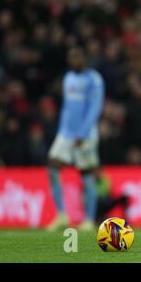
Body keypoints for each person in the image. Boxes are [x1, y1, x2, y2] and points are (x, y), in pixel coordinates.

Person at [46, 47, 105, 231]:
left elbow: (95, 108)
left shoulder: (94, 79)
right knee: (53, 167)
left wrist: (83, 132)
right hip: (66, 133)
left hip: (85, 135)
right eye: (71, 57)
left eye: (78, 56)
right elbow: (66, 107)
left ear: (84, 58)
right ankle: (62, 215)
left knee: (87, 174)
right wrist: (62, 131)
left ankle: (88, 220)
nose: (75, 60)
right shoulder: (68, 78)